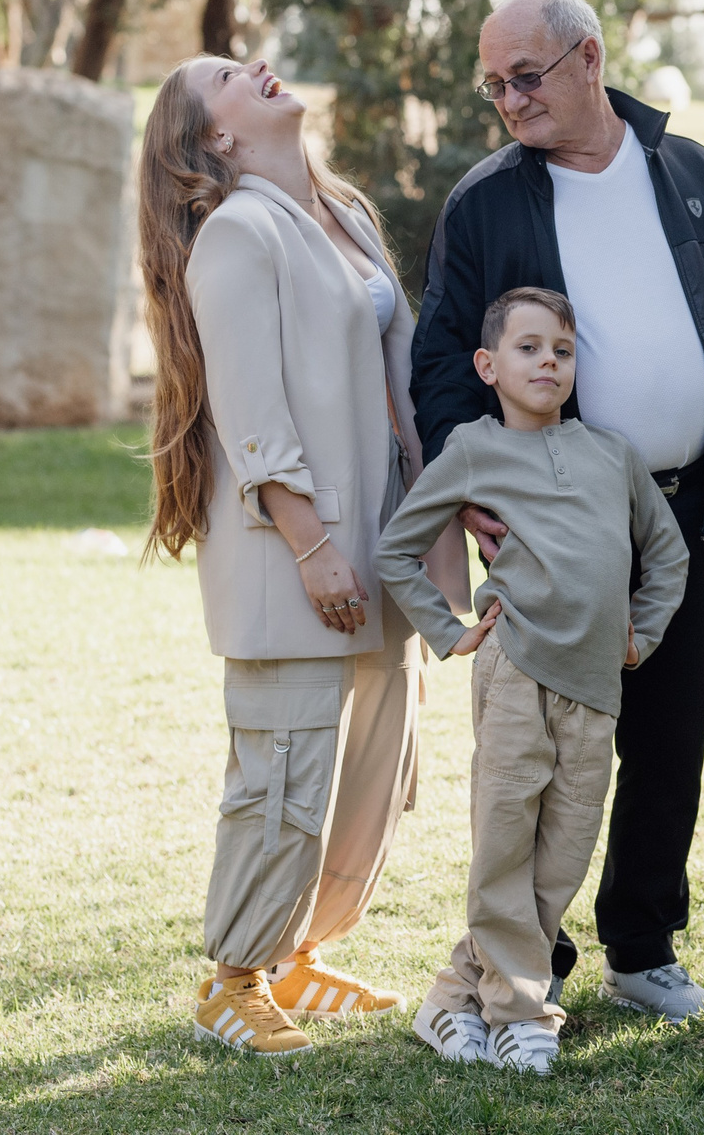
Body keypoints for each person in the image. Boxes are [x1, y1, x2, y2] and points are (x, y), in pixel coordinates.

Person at [412, 0, 704, 1023]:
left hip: (693, 511)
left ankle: (642, 947)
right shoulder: (487, 200)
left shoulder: (690, 170)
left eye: (523, 76)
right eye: (493, 84)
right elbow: (444, 355)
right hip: (555, 524)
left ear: (587, 58)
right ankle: (529, 954)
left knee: (672, 740)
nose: (508, 99)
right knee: (547, 754)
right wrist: (473, 479)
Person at [136, 55, 456, 1057]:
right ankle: (233, 976)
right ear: (216, 140)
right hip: (294, 550)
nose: (260, 66)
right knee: (282, 768)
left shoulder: (344, 213)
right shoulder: (236, 231)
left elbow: (396, 382)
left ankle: (298, 952)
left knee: (370, 768)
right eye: (230, 75)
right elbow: (249, 404)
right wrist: (312, 542)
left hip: (378, 545)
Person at [379, 289, 690, 1076]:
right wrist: (450, 632)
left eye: (561, 348)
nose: (547, 360)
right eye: (528, 347)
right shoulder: (473, 450)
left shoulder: (611, 453)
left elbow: (669, 553)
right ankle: (522, 1010)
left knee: (560, 857)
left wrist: (642, 631)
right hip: (516, 670)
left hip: (596, 683)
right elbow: (397, 550)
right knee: (505, 843)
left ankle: (453, 998)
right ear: (489, 365)